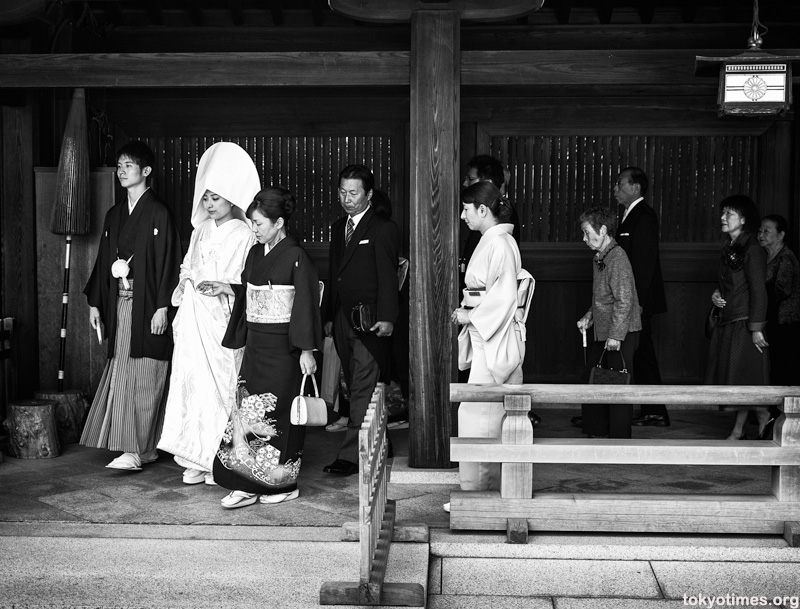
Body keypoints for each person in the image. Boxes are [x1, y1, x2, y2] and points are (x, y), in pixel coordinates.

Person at [157, 142, 259, 486]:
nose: (210, 204)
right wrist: (187, 283)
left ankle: (223, 457)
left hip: (223, 321)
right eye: (206, 198)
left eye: (216, 197)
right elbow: (188, 266)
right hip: (195, 320)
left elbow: (246, 277)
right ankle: (197, 457)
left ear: (231, 197)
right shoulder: (199, 230)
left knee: (225, 386)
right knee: (195, 386)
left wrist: (223, 286)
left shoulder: (245, 234)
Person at [213, 187, 322, 508]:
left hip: (284, 350)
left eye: (259, 223)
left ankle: (281, 485)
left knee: (280, 418)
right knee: (246, 411)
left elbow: (305, 304)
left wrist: (306, 350)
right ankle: (244, 482)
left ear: (279, 222)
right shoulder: (256, 254)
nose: (254, 229)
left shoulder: (296, 256)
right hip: (258, 346)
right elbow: (251, 291)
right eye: (252, 223)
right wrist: (229, 288)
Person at [80, 140, 182, 471]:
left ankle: (139, 448)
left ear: (146, 171)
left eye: (128, 166)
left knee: (148, 372)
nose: (122, 171)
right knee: (124, 371)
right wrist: (96, 302)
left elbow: (170, 262)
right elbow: (103, 262)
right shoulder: (114, 214)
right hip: (122, 304)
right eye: (119, 166)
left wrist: (163, 306)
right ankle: (140, 447)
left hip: (149, 304)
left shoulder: (159, 213)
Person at [452, 181, 534, 494]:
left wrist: (471, 315)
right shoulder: (495, 240)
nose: (462, 216)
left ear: (483, 209)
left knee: (480, 414)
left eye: (466, 208)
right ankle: (478, 489)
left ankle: (480, 493)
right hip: (489, 336)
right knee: (478, 414)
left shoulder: (499, 243)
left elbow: (503, 297)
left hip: (494, 338)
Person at [322, 165, 400, 476]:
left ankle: (351, 456)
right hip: (342, 317)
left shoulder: (383, 228)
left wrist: (387, 318)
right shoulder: (338, 227)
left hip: (370, 320)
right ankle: (382, 441)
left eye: (353, 193)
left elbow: (388, 275)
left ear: (368, 194)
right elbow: (333, 275)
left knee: (362, 386)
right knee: (357, 383)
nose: (346, 198)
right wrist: (328, 316)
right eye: (342, 192)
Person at [705, 195, 770, 440]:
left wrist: (756, 328)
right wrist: (716, 295)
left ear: (743, 220)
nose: (722, 217)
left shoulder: (753, 250)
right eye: (723, 213)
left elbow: (759, 291)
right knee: (738, 377)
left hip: (745, 322)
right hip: (730, 320)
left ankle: (762, 416)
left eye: (729, 214)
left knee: (744, 377)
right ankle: (741, 428)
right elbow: (727, 284)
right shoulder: (730, 247)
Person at [576, 207, 641, 439]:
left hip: (620, 333)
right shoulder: (601, 257)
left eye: (586, 232)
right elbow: (604, 297)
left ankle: (618, 439)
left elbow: (625, 300)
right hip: (605, 332)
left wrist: (615, 335)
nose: (584, 239)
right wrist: (589, 315)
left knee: (617, 386)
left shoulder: (618, 257)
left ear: (602, 230)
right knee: (593, 380)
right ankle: (599, 433)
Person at [613, 168, 669, 427]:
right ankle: (650, 408)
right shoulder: (628, 214)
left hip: (638, 301)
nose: (615, 188)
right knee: (640, 353)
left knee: (642, 354)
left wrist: (637, 303)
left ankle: (655, 410)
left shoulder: (643, 215)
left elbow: (644, 264)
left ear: (635, 187)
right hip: (631, 299)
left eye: (620, 183)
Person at [757, 214, 800, 438]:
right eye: (760, 230)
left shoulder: (786, 258)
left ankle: (784, 426)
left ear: (781, 235)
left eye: (767, 231)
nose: (761, 235)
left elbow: (780, 291)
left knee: (784, 371)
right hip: (772, 323)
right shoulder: (764, 256)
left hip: (785, 325)